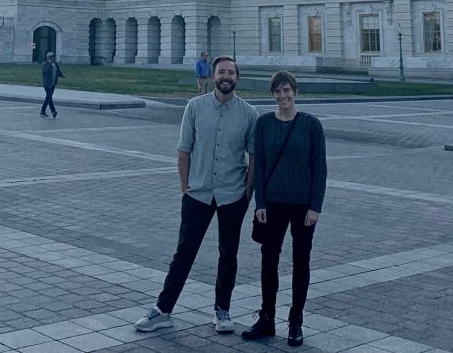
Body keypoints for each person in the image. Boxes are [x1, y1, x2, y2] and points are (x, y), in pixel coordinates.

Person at [135, 56, 257, 335]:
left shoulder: (249, 114)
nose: (226, 76)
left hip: (232, 194)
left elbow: (253, 156)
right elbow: (183, 149)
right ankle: (163, 309)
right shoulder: (195, 107)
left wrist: (247, 194)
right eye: (221, 72)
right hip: (198, 193)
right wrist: (184, 185)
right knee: (184, 252)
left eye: (231, 72)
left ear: (237, 77)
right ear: (213, 76)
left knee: (229, 254)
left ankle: (222, 310)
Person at [241, 71, 327, 348]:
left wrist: (315, 207)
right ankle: (267, 317)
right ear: (273, 95)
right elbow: (261, 165)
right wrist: (260, 203)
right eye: (278, 92)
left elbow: (320, 169)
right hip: (273, 205)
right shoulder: (265, 123)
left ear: (296, 92)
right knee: (269, 261)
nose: (283, 96)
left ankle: (296, 321)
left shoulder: (311, 125)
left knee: (301, 261)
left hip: (303, 206)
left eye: (287, 90)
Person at [40, 51, 65, 117]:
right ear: (48, 57)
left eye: (53, 57)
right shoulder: (44, 64)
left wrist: (62, 75)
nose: (53, 58)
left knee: (48, 97)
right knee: (49, 97)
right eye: (51, 57)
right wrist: (49, 64)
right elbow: (45, 72)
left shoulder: (55, 64)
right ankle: (53, 111)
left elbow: (58, 71)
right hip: (47, 83)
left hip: (53, 83)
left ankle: (42, 111)